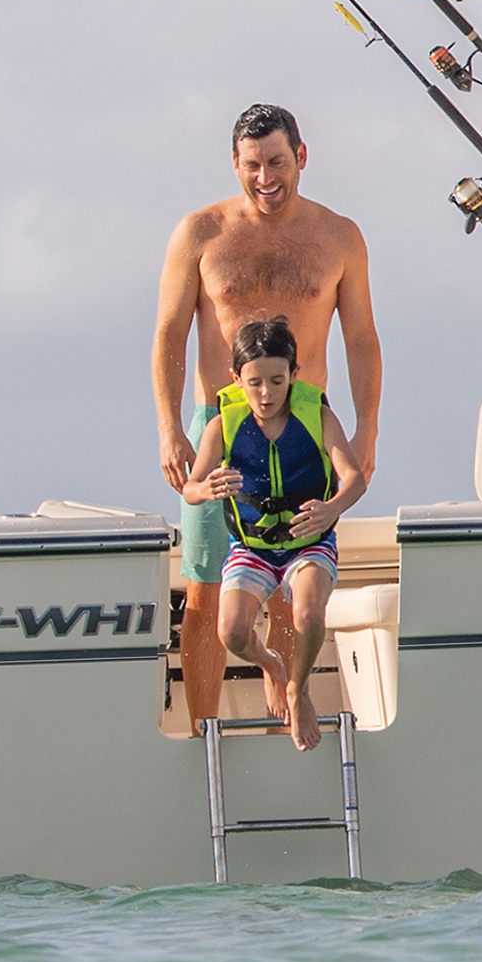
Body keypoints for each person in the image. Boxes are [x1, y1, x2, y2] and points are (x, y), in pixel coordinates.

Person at [151, 102, 380, 731]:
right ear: (235, 164)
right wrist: (171, 426)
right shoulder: (200, 233)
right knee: (203, 589)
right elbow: (169, 334)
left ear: (301, 157)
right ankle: (202, 735)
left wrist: (367, 430)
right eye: (252, 165)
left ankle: (288, 719)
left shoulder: (339, 236)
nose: (265, 177)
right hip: (219, 425)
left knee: (290, 580)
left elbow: (361, 337)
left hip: (309, 427)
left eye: (277, 162)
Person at [194, 317, 356, 748]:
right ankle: (271, 665)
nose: (266, 394)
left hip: (309, 542)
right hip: (253, 547)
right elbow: (192, 488)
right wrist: (205, 487)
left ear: (294, 374)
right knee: (230, 632)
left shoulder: (317, 416)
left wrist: (332, 509)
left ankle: (297, 689)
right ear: (236, 379)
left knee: (308, 614)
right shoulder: (221, 426)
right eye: (255, 383)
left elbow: (353, 477)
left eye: (277, 381)